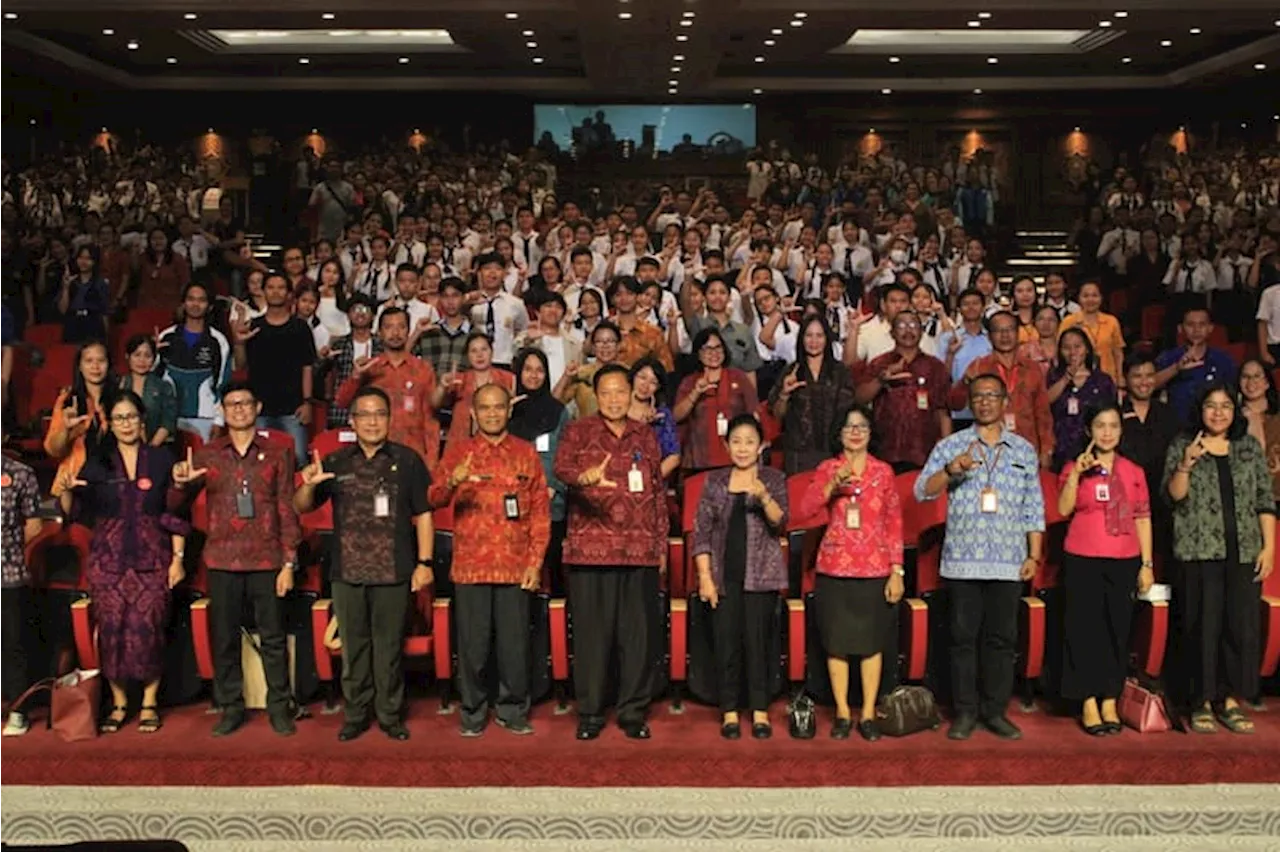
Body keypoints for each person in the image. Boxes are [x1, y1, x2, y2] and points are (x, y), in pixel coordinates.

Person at [294, 386, 434, 743]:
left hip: (394, 569)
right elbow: (302, 506)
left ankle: (390, 715)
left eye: (379, 414)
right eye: (365, 415)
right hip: (347, 570)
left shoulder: (408, 460)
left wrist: (424, 562)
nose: (372, 422)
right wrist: (308, 486)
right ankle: (355, 714)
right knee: (354, 649)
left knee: (389, 649)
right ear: (353, 421)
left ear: (389, 419)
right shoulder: (336, 461)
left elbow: (424, 515)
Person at [917, 374, 1045, 741]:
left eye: (992, 396)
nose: (985, 401)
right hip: (963, 559)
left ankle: (995, 711)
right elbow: (923, 490)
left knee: (1001, 640)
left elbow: (1033, 507)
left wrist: (1033, 554)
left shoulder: (1022, 450)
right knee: (962, 639)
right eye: (978, 396)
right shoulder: (952, 445)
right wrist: (950, 470)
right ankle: (965, 712)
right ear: (970, 402)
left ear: (1005, 400)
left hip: (1008, 559)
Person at [171, 381, 300, 738]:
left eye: (245, 403)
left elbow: (287, 506)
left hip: (266, 558)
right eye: (231, 405)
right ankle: (230, 706)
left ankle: (280, 706)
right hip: (222, 558)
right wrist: (180, 484)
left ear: (257, 407)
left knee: (273, 638)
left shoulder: (278, 451)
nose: (239, 410)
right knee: (224, 638)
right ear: (223, 412)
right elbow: (174, 508)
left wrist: (289, 562)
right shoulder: (207, 454)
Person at [56, 390, 189, 734]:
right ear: (110, 425)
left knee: (150, 630)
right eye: (119, 418)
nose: (126, 424)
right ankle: (118, 703)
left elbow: (173, 513)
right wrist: (66, 490)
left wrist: (177, 559)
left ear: (142, 419)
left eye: (132, 416)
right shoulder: (98, 462)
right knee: (113, 632)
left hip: (153, 558)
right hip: (108, 562)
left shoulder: (161, 459)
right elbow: (78, 513)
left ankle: (149, 702)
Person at [428, 383, 550, 736]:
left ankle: (513, 710)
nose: (493, 413)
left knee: (514, 646)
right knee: (473, 647)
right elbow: (433, 497)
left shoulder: (526, 454)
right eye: (485, 408)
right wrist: (454, 480)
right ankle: (473, 711)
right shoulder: (459, 453)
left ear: (509, 410)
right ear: (475, 413)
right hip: (471, 566)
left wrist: (534, 563)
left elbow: (540, 514)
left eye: (499, 407)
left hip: (515, 566)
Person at [553, 365, 668, 741]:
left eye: (621, 392)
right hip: (590, 550)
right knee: (592, 636)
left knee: (637, 637)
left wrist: (660, 543)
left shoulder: (645, 435)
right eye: (607, 393)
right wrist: (580, 477)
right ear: (596, 396)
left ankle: (633, 711)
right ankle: (590, 712)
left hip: (639, 550)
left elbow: (657, 492)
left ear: (631, 393)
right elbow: (560, 467)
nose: (615, 399)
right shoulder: (578, 430)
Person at [1164, 384, 1276, 734]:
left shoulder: (1248, 448)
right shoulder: (1183, 445)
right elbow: (1173, 497)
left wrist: (1269, 546)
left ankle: (1228, 699)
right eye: (1211, 406)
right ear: (1200, 410)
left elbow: (1263, 499)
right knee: (1202, 626)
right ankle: (1199, 701)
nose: (1218, 412)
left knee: (1237, 628)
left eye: (1226, 406)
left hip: (1243, 551)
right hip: (1199, 551)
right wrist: (1186, 464)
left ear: (1235, 409)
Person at [799, 404, 904, 741]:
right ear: (838, 434)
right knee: (838, 644)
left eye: (861, 426)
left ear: (871, 433)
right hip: (835, 568)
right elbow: (805, 509)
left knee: (872, 644)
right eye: (848, 427)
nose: (855, 432)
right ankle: (843, 712)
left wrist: (896, 570)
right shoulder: (828, 468)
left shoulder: (884, 472)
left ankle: (869, 713)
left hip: (874, 569)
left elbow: (894, 523)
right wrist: (832, 484)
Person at [1057, 403, 1154, 735]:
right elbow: (1062, 508)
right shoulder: (1075, 467)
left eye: (1113, 425)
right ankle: (1086, 699)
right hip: (1083, 557)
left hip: (1124, 559)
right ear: (1089, 430)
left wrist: (1147, 564)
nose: (1107, 432)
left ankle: (1110, 697)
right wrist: (1075, 476)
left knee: (1117, 630)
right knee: (1084, 630)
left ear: (1121, 431)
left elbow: (1143, 518)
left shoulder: (1133, 471)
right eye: (1100, 425)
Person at [692, 414, 788, 740]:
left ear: (761, 446)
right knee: (726, 643)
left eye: (750, 441)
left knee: (758, 644)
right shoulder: (714, 482)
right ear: (726, 445)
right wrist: (705, 577)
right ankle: (729, 711)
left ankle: (760, 711)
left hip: (761, 577)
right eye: (736, 441)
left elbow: (779, 521)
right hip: (723, 576)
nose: (743, 448)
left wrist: (762, 496)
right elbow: (701, 533)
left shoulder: (773, 478)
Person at [335, 306, 440, 467]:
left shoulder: (423, 369)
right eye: (389, 327)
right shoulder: (369, 368)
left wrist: (431, 460)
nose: (395, 333)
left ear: (408, 331)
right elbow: (342, 402)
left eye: (401, 327)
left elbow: (430, 419)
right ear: (379, 332)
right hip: (374, 455)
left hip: (413, 455)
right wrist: (355, 376)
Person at [949, 311, 1054, 469]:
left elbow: (1043, 414)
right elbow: (954, 404)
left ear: (1018, 333)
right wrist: (965, 382)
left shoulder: (1033, 368)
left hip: (1026, 448)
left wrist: (1046, 450)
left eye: (1010, 329)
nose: (1005, 335)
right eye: (998, 330)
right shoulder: (979, 366)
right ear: (990, 337)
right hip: (989, 451)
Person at [231, 272, 316, 461]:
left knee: (299, 459)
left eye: (280, 288)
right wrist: (238, 343)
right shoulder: (254, 326)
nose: (275, 292)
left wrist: (307, 402)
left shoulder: (300, 328)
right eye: (270, 287)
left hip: (293, 408)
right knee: (258, 461)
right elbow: (240, 364)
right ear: (263, 292)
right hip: (259, 408)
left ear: (288, 294)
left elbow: (307, 367)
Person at [855, 310, 951, 472]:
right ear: (892, 333)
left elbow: (943, 410)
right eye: (901, 325)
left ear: (921, 332)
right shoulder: (879, 363)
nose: (908, 330)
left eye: (913, 325)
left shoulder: (935, 366)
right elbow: (860, 399)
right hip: (885, 450)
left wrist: (947, 448)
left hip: (924, 451)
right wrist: (881, 380)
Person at [509, 348, 570, 595]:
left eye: (539, 370)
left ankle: (556, 627)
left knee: (553, 570)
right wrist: (506, 415)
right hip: (514, 502)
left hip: (550, 500)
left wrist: (554, 486)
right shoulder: (506, 410)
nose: (533, 376)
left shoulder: (559, 411)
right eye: (528, 369)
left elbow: (567, 454)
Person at [769, 315, 857, 475]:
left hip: (835, 452)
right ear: (801, 339)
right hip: (798, 454)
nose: (813, 341)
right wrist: (784, 394)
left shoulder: (840, 372)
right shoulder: (791, 371)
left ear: (827, 339)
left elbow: (850, 413)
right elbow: (777, 414)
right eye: (809, 335)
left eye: (819, 336)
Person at [0, 447, 43, 737]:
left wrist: (9, 549)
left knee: (13, 642)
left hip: (9, 570)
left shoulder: (19, 473)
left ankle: (18, 710)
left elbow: (35, 524)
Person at [674, 327, 759, 472]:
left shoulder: (738, 377)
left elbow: (754, 413)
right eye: (708, 349)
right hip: (699, 461)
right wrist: (695, 393)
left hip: (735, 458)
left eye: (718, 348)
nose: (714, 353)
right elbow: (676, 416)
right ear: (699, 354)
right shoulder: (690, 382)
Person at [156, 282, 232, 444]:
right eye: (191, 299)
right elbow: (154, 378)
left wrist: (219, 420)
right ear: (183, 303)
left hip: (205, 416)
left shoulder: (218, 341)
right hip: (168, 418)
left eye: (201, 300)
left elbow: (222, 384)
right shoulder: (166, 337)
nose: (195, 304)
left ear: (210, 306)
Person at [45, 340, 111, 498]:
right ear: (79, 366)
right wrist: (67, 430)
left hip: (112, 480)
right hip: (73, 482)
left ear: (109, 364)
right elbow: (54, 450)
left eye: (101, 360)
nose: (95, 366)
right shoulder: (68, 400)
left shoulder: (120, 399)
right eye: (89, 361)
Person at [1046, 327, 1117, 471]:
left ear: (1087, 349)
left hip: (1094, 448)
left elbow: (1112, 413)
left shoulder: (1102, 380)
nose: (1072, 352)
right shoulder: (1054, 377)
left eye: (1077, 346)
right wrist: (1066, 378)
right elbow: (1044, 402)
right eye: (1066, 347)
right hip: (1062, 450)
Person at [1153, 306, 1237, 424]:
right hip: (1177, 426)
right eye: (1190, 325)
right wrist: (1176, 368)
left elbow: (1233, 395)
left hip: (1213, 424)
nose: (1196, 330)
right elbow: (1150, 385)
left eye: (1202, 325)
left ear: (1210, 328)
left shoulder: (1223, 360)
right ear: (1180, 328)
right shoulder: (1168, 357)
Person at [435, 332, 516, 446]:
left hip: (497, 444)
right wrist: (442, 386)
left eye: (484, 349)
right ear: (468, 356)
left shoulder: (508, 379)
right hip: (461, 444)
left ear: (492, 352)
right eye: (474, 351)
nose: (479, 355)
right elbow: (434, 403)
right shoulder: (459, 379)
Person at [467, 252, 528, 369]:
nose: (492, 273)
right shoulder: (470, 303)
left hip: (505, 362)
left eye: (497, 269)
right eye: (487, 269)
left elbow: (523, 331)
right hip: (475, 363)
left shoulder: (515, 303)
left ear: (505, 274)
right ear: (479, 273)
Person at [1057, 281, 1124, 384]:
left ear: (1101, 298)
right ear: (1079, 298)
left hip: (1108, 378)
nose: (1090, 300)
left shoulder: (1111, 321)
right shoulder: (1069, 321)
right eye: (1085, 296)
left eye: (1095, 295)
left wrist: (1120, 376)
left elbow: (1117, 352)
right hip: (1077, 378)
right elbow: (1061, 350)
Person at [118, 334, 176, 447]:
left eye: (147, 356)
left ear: (154, 359)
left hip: (157, 447)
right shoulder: (119, 384)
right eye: (137, 355)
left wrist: (150, 448)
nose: (141, 360)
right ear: (127, 356)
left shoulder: (163, 386)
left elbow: (168, 421)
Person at [628, 357, 681, 480]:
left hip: (652, 483)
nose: (645, 386)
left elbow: (674, 456)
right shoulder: (617, 410)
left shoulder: (662, 415)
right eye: (642, 377)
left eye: (653, 382)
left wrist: (651, 481)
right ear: (632, 377)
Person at [1237, 360, 1280, 497]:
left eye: (1257, 376)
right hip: (1248, 494)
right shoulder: (1230, 418)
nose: (1251, 381)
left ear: (1267, 382)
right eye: (1245, 376)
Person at [60, 245, 110, 344]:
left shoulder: (100, 283)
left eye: (88, 258)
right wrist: (65, 288)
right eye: (81, 257)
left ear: (94, 261)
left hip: (93, 324)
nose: (83, 262)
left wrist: (106, 337)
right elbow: (62, 310)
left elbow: (104, 312)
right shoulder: (71, 281)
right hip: (73, 323)